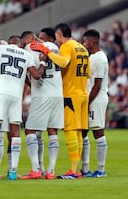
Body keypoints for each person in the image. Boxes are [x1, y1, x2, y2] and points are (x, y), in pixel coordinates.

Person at [0, 35, 46, 180]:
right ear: (19, 44)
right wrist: (43, 63)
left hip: (1, 93)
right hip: (16, 96)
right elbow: (37, 75)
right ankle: (13, 171)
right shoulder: (26, 54)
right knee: (15, 131)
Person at [30, 22, 90, 179]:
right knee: (78, 131)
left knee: (70, 130)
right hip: (83, 92)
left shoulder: (66, 46)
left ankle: (73, 170)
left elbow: (63, 62)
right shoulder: (81, 47)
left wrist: (47, 52)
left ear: (58, 34)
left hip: (71, 94)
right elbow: (88, 73)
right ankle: (76, 170)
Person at [19, 31, 64, 180]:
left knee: (30, 129)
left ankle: (35, 169)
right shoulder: (54, 46)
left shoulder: (30, 47)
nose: (22, 45)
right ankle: (50, 171)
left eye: (23, 41)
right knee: (52, 131)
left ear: (30, 38)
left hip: (42, 93)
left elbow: (34, 73)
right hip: (57, 92)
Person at [81, 29, 109, 178]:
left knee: (98, 132)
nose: (84, 44)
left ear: (91, 42)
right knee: (83, 132)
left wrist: (87, 102)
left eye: (85, 41)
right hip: (91, 98)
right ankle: (85, 169)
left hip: (96, 99)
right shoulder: (93, 57)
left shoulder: (99, 58)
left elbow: (97, 85)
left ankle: (101, 169)